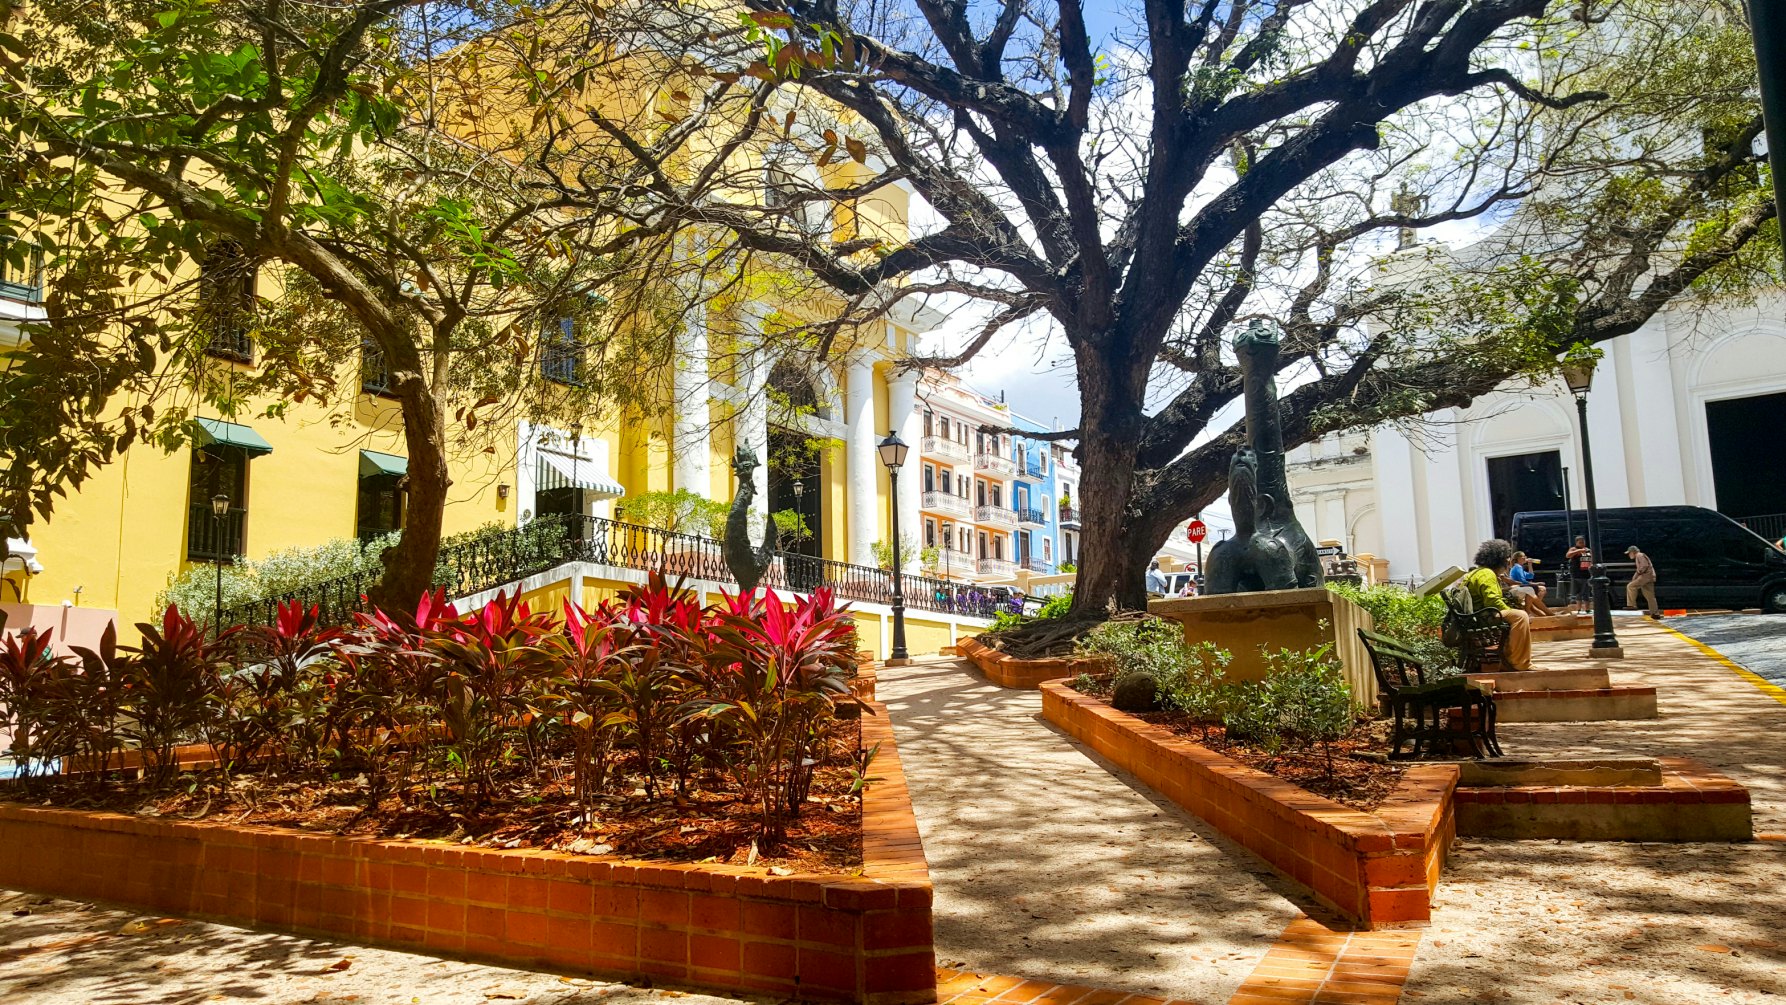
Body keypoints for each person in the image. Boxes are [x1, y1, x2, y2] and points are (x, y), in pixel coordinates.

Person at [1463, 538, 1536, 671]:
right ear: (1499, 559)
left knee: (1517, 614)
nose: (1508, 561)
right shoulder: (1487, 574)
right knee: (1520, 616)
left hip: (1475, 616)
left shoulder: (1477, 572)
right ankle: (1519, 662)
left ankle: (1509, 659)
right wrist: (1509, 611)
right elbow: (1492, 601)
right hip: (1482, 616)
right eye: (1506, 558)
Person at [1506, 551, 1551, 615]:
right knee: (1541, 589)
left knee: (1542, 589)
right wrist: (1537, 583)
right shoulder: (1517, 567)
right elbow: (1522, 581)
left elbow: (1530, 576)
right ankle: (1533, 608)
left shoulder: (1519, 567)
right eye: (1523, 556)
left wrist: (1530, 565)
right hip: (1518, 587)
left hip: (1521, 586)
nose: (1525, 558)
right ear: (1518, 558)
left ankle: (1534, 606)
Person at [1625, 544, 1661, 618]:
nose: (1629, 555)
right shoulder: (1640, 555)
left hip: (1645, 576)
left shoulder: (1639, 555)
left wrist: (1638, 573)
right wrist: (1635, 576)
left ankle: (1632, 605)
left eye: (1629, 553)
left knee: (1630, 586)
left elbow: (1644, 566)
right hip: (1650, 577)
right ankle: (1655, 613)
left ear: (1633, 552)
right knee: (1650, 596)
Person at [1565, 535, 1592, 615]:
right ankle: (1579, 609)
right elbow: (1568, 555)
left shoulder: (1587, 550)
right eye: (1580, 542)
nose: (1582, 544)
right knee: (1578, 592)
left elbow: (1591, 560)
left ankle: (1587, 609)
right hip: (1576, 574)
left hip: (1586, 573)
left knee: (1586, 592)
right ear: (1576, 543)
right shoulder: (1574, 549)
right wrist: (1579, 550)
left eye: (1583, 542)